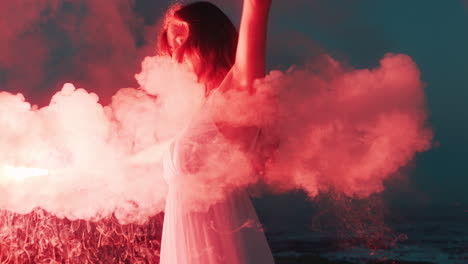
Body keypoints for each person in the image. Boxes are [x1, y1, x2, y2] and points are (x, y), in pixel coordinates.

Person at [157, 1, 274, 263]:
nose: (176, 55)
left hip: (223, 251)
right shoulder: (197, 114)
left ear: (208, 37)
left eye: (181, 40)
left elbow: (257, 7)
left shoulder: (237, 94)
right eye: (171, 46)